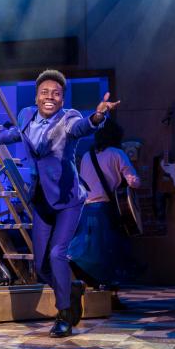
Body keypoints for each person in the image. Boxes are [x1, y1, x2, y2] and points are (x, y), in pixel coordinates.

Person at [0, 70, 119, 337]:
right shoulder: (26, 115)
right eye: (45, 92)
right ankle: (71, 288)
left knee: (58, 253)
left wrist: (98, 116)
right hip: (40, 198)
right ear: (36, 97)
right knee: (40, 266)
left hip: (68, 198)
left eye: (56, 94)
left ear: (62, 99)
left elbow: (84, 127)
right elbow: (16, 134)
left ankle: (64, 313)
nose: (50, 97)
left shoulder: (68, 119)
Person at [68, 120, 143, 308]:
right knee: (111, 254)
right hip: (106, 210)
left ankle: (87, 288)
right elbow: (133, 182)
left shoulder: (87, 155)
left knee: (88, 252)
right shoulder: (117, 154)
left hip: (86, 210)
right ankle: (111, 298)